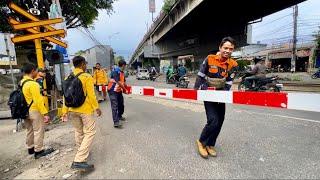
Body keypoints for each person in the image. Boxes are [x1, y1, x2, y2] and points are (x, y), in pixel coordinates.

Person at [194, 37, 238, 158]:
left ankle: (210, 144)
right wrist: (197, 90)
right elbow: (201, 75)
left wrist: (223, 94)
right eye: (225, 48)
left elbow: (229, 82)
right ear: (220, 47)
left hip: (221, 95)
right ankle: (202, 142)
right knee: (213, 120)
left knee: (220, 121)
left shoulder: (233, 64)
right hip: (208, 93)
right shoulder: (210, 59)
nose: (228, 51)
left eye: (231, 49)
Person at [62, 56, 102, 171]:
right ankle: (79, 160)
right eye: (85, 64)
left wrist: (64, 111)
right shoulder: (86, 76)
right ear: (83, 64)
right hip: (85, 110)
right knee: (90, 132)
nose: (86, 65)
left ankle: (82, 152)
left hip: (71, 110)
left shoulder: (67, 77)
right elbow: (91, 94)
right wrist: (96, 108)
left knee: (79, 131)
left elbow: (65, 96)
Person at [21, 63, 54, 159]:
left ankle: (30, 148)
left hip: (25, 111)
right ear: (32, 71)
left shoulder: (22, 82)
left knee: (30, 130)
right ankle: (39, 151)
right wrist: (45, 114)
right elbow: (38, 101)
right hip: (34, 110)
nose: (37, 72)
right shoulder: (33, 84)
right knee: (38, 130)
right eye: (36, 70)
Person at [107, 60, 129, 128]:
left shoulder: (122, 72)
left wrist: (127, 88)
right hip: (112, 90)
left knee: (121, 104)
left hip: (118, 91)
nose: (125, 67)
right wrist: (125, 90)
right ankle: (116, 122)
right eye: (125, 66)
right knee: (115, 106)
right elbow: (119, 82)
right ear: (123, 65)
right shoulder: (115, 71)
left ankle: (119, 116)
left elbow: (124, 82)